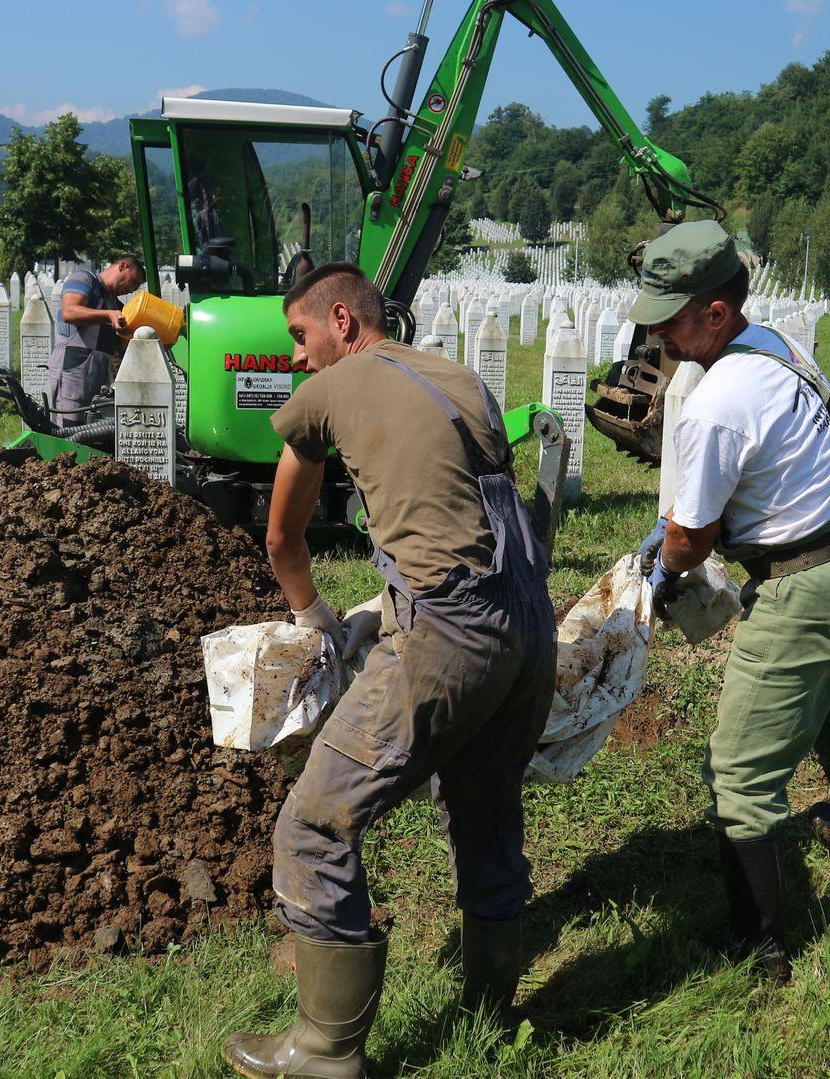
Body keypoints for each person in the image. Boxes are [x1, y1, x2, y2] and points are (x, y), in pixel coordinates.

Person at [222, 263, 556, 1079]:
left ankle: (326, 1052)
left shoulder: (325, 392)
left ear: (341, 320)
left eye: (300, 337)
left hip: (449, 636)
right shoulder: (457, 376)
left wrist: (320, 624)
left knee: (314, 824)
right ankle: (489, 1014)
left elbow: (281, 539)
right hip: (529, 625)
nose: (298, 357)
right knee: (482, 806)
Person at [629, 221, 830, 984]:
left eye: (669, 316)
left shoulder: (718, 401)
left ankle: (759, 948)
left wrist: (660, 576)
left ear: (715, 313)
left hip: (805, 591)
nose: (655, 330)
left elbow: (691, 539)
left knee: (739, 775)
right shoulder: (777, 346)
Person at [48, 255, 147, 423]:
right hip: (73, 370)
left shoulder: (118, 307)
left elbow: (122, 349)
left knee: (93, 437)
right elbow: (69, 312)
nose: (132, 289)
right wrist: (108, 316)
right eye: (134, 281)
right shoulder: (84, 279)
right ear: (123, 266)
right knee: (69, 431)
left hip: (100, 380)